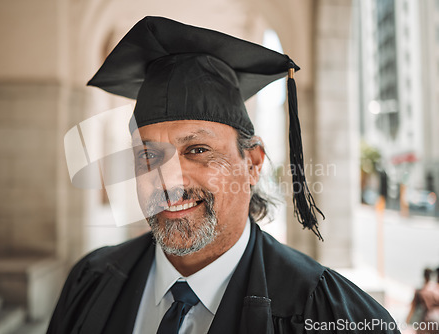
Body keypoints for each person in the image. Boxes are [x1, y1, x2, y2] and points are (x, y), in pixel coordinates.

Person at [47, 16, 399, 333]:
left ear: (253, 163)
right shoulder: (90, 281)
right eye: (148, 155)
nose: (169, 181)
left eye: (197, 150)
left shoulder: (333, 317)